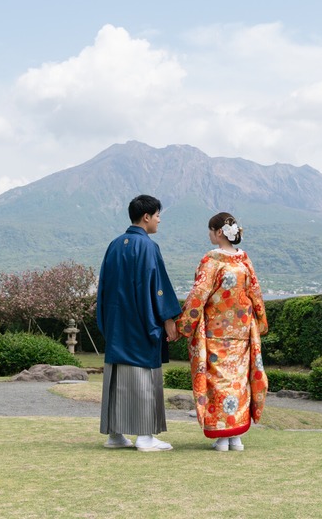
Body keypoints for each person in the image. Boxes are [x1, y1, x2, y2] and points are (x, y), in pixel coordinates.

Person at [96, 194, 181, 452]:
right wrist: (168, 318)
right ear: (146, 217)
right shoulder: (148, 247)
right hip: (141, 323)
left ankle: (115, 434)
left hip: (117, 323)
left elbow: (104, 287)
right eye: (157, 216)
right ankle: (145, 436)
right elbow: (158, 287)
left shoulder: (114, 244)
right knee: (145, 377)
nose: (159, 220)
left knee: (117, 377)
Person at [176, 212, 268, 451]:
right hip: (241, 333)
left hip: (216, 332)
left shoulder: (211, 260)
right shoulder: (244, 261)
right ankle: (236, 437)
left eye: (210, 230)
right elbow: (255, 295)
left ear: (218, 232)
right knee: (239, 381)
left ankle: (222, 436)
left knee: (218, 381)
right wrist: (260, 322)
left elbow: (199, 295)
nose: (209, 235)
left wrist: (183, 324)